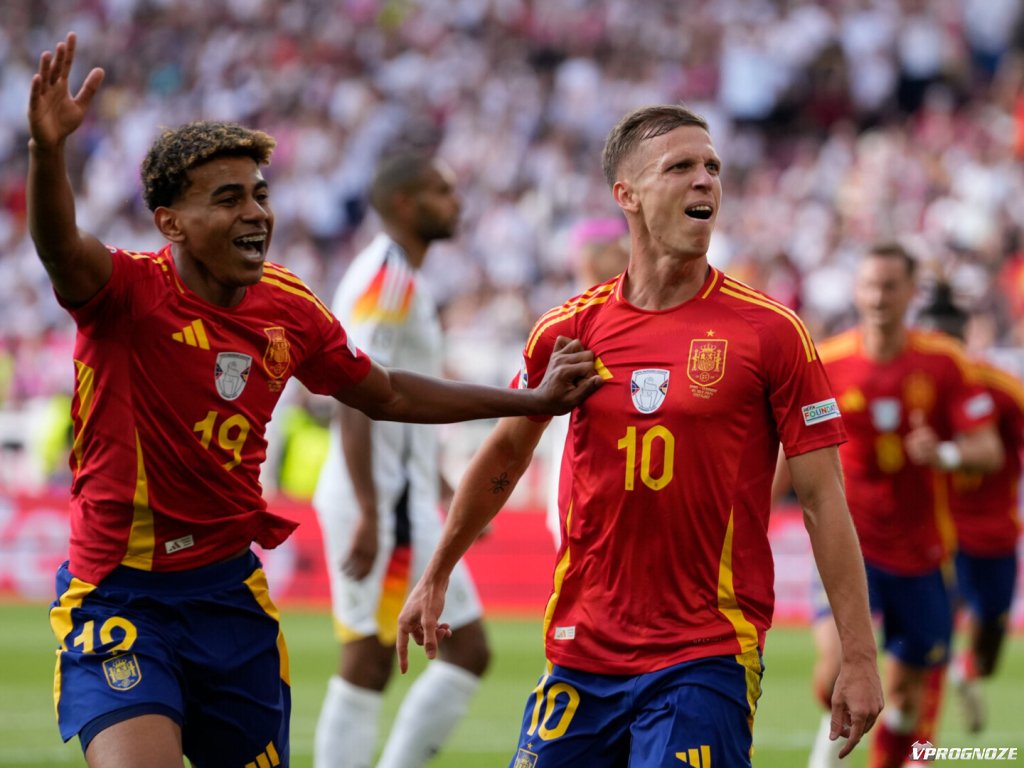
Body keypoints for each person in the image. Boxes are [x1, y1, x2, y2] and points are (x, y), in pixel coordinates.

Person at [31, 34, 601, 768]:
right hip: (121, 595)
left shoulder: (288, 307)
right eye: (227, 199)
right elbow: (59, 248)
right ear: (171, 222)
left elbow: (385, 391)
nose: (255, 213)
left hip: (229, 593)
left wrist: (531, 401)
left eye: (260, 195)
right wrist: (48, 152)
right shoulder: (126, 294)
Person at [397, 104, 884, 767]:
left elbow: (824, 499)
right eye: (680, 167)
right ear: (626, 194)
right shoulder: (569, 330)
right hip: (580, 649)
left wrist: (858, 656)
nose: (705, 180)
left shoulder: (771, 333)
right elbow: (507, 453)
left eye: (712, 166)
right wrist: (437, 572)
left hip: (705, 651)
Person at [312, 152, 489, 768]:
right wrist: (369, 510)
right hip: (378, 503)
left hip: (404, 502)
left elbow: (400, 405)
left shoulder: (403, 277)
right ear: (405, 204)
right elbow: (352, 390)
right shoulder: (386, 276)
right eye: (442, 191)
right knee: (370, 657)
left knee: (468, 649)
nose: (456, 202)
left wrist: (443, 488)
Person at [806, 246, 1004, 768]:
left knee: (906, 699)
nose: (878, 297)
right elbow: (790, 451)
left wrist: (944, 453)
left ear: (912, 293)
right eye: (870, 285)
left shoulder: (943, 362)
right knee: (834, 671)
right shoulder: (827, 362)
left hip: (922, 554)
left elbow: (989, 449)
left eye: (890, 286)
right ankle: (825, 748)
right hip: (847, 545)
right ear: (856, 291)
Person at [918, 285, 1023, 735]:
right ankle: (919, 749)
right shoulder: (914, 387)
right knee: (933, 639)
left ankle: (969, 672)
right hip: (940, 533)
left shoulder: (1003, 388)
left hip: (996, 533)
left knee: (989, 650)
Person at [546, 216, 630, 549]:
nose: (627, 257)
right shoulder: (567, 323)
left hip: (621, 485)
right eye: (616, 250)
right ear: (589, 261)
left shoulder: (623, 313)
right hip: (580, 488)